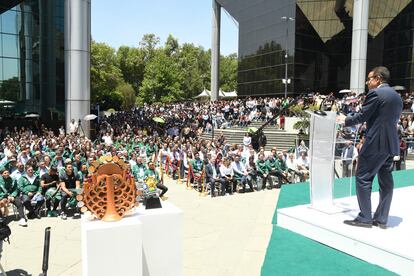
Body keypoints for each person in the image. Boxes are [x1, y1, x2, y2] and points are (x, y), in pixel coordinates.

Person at [337, 66, 403, 229]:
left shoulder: (376, 93)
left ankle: (365, 217)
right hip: (390, 143)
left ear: (379, 78)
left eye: (369, 78)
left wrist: (344, 120)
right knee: (385, 179)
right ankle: (381, 218)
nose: (367, 82)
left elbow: (362, 116)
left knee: (363, 177)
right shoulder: (397, 96)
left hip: (375, 143)